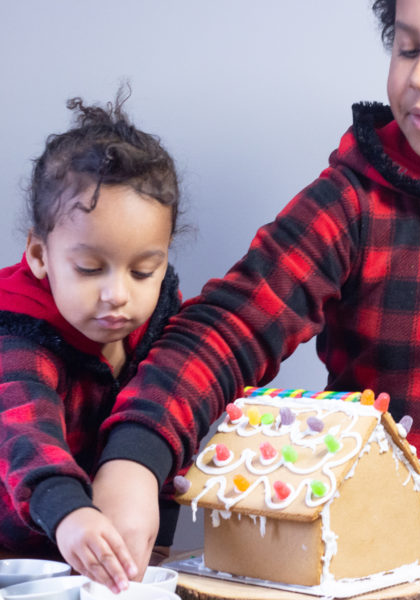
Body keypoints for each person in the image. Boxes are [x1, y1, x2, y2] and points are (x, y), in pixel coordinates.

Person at [114, 0, 420, 571]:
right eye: (407, 47)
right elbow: (228, 328)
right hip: (366, 574)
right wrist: (133, 460)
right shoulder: (353, 201)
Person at [0, 91, 184, 593]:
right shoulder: (16, 334)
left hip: (103, 558)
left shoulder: (161, 321)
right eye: (89, 268)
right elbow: (24, 437)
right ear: (40, 255)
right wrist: (69, 513)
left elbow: (164, 421)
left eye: (144, 270)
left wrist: (159, 533)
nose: (117, 296)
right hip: (18, 553)